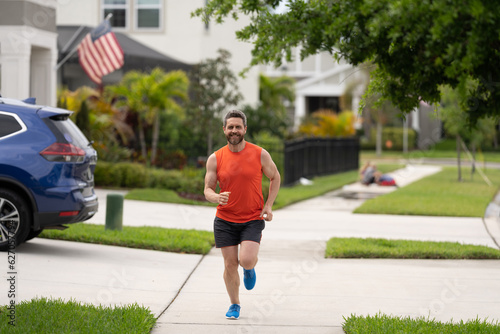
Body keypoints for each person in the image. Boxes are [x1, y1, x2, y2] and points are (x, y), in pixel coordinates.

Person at [204, 110, 281, 320]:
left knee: (245, 260)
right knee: (230, 265)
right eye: (230, 127)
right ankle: (235, 304)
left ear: (245, 129)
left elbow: (275, 177)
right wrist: (215, 197)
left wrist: (269, 205)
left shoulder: (260, 154)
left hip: (252, 219)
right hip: (224, 220)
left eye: (238, 127)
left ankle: (249, 268)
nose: (234, 131)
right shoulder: (215, 158)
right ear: (224, 130)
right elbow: (208, 189)